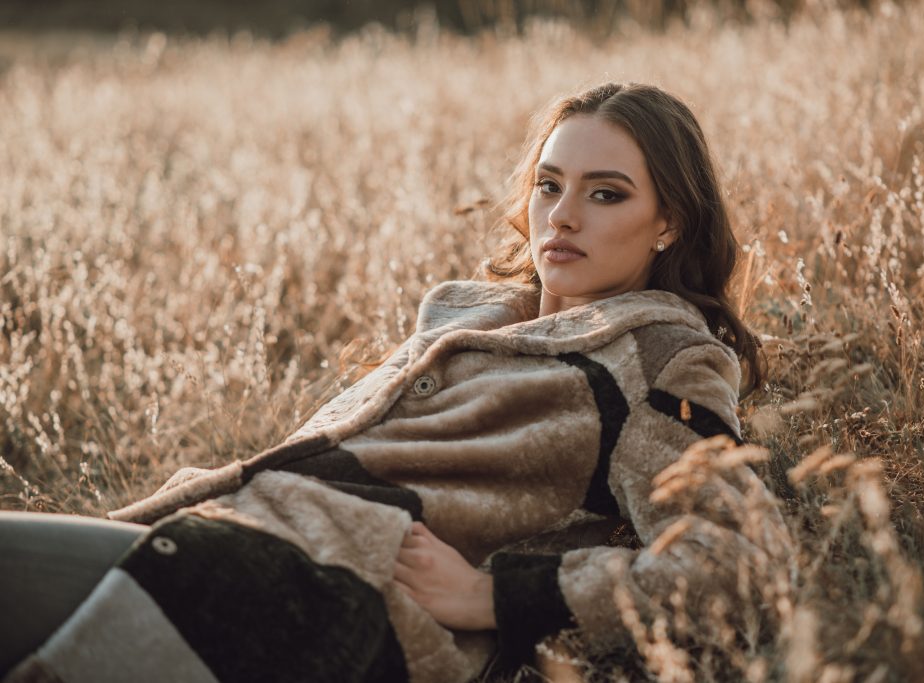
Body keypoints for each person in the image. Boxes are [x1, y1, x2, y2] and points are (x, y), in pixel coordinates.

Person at [1, 81, 792, 683]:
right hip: (251, 547)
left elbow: (744, 561)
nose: (563, 216)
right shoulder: (463, 315)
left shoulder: (661, 354)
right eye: (549, 184)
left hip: (333, 608)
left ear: (669, 223)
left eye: (606, 193)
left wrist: (498, 598)